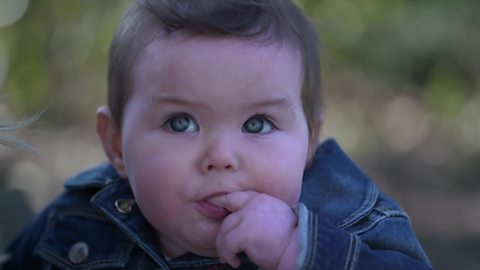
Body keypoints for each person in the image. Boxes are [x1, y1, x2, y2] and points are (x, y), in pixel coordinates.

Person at [2, 0, 432, 269]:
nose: (222, 156)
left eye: (257, 124)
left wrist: (298, 252)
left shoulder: (350, 221)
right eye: (181, 122)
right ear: (115, 143)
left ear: (310, 140)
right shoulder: (76, 220)